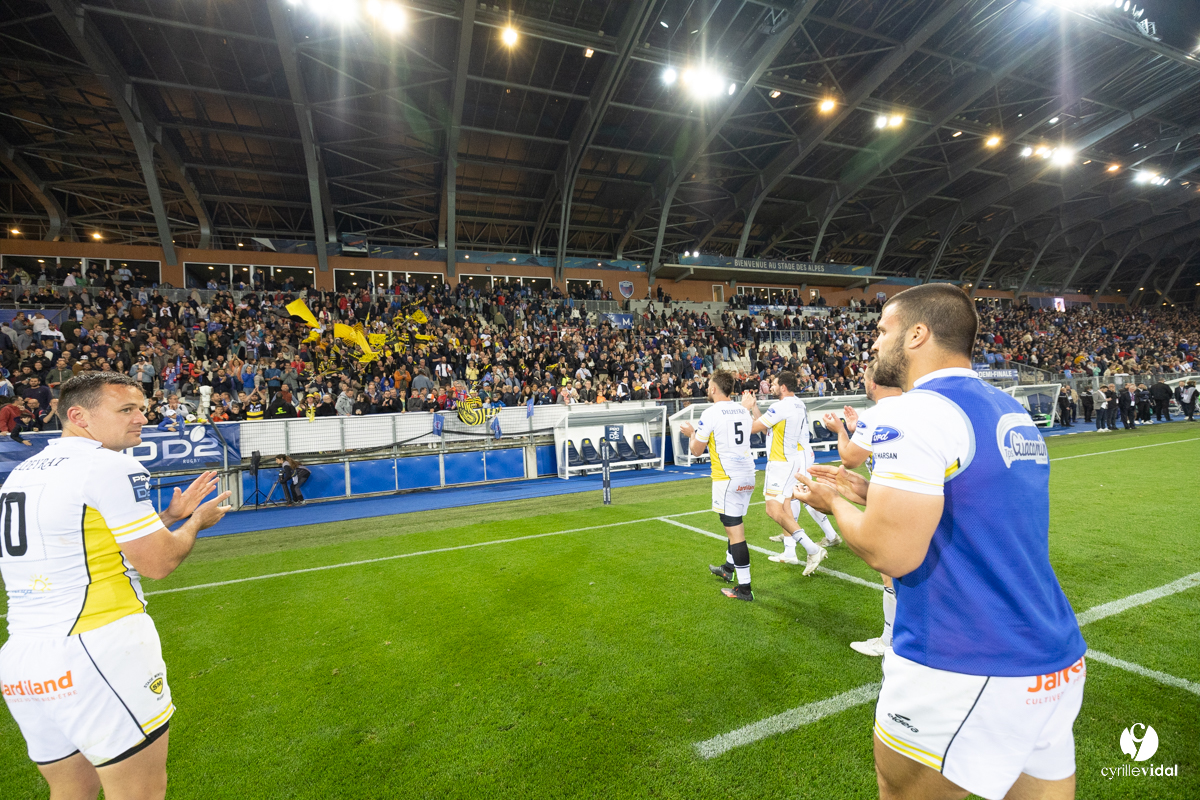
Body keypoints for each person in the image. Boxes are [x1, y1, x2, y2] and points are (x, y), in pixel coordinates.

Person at [795, 285, 1086, 800]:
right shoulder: (1007, 409)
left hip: (961, 658)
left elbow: (892, 553)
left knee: (899, 790)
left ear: (917, 334)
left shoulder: (916, 411)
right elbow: (977, 507)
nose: (875, 343)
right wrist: (869, 492)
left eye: (883, 330)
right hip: (1053, 658)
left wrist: (833, 503)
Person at [0, 372, 231, 800]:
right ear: (78, 416)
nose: (141, 418)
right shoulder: (110, 465)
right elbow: (158, 563)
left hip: (24, 659)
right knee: (139, 793)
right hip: (97, 647)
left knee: (71, 792)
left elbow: (80, 546)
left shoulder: (23, 471)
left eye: (141, 408)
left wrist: (166, 519)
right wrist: (197, 521)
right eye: (126, 409)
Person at [820, 361, 904, 658]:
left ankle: (890, 640)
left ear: (874, 383)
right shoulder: (914, 406)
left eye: (865, 379)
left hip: (893, 503)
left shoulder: (877, 413)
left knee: (890, 572)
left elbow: (849, 458)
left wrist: (841, 430)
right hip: (921, 497)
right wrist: (858, 428)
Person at [740, 370, 834, 575]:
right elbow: (768, 429)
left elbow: (752, 428)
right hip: (790, 459)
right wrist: (755, 408)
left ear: (783, 387)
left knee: (773, 510)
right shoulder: (797, 404)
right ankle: (790, 551)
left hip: (780, 463)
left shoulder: (780, 407)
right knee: (786, 507)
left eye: (773, 383)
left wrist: (744, 409)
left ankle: (812, 548)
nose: (770, 386)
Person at [677, 371, 757, 601]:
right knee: (733, 525)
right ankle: (728, 569)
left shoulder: (711, 412)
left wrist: (691, 433)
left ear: (713, 389)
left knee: (735, 532)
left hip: (727, 477)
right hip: (748, 475)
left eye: (709, 386)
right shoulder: (742, 410)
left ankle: (744, 589)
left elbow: (696, 450)